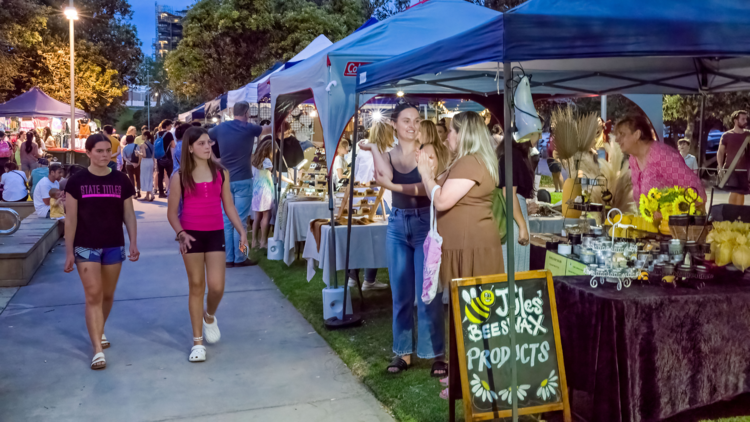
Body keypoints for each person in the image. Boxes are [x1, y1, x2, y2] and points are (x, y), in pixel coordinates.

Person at [417, 111, 505, 397]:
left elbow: (440, 199)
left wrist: (426, 174)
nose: (447, 135)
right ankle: (462, 374)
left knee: (474, 316)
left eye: (451, 131)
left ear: (464, 133)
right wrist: (430, 173)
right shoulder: (465, 161)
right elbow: (436, 187)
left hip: (472, 249)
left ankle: (472, 381)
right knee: (465, 313)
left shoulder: (471, 162)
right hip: (465, 247)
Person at [361, 103, 445, 377]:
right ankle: (403, 353)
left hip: (423, 222)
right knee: (400, 293)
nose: (412, 125)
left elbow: (425, 189)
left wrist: (392, 186)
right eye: (406, 120)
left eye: (417, 120)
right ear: (394, 124)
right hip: (397, 223)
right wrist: (373, 148)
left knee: (428, 293)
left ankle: (435, 354)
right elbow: (381, 176)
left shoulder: (428, 151)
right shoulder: (388, 153)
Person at [167, 127, 249, 362]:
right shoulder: (179, 176)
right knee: (196, 285)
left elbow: (229, 205)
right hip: (190, 235)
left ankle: (209, 316)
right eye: (202, 143)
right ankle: (197, 343)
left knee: (216, 287)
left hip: (215, 233)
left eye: (209, 143)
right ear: (190, 147)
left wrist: (241, 231)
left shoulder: (221, 173)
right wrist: (180, 232)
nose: (207, 147)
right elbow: (172, 213)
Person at [63, 133, 139, 370]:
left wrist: (133, 242)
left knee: (107, 295)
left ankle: (100, 328)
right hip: (85, 246)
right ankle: (97, 349)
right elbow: (71, 219)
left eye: (108, 151)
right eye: (99, 151)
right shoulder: (76, 182)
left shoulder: (122, 180)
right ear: (88, 153)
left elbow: (129, 214)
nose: (104, 155)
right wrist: (68, 252)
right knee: (93, 295)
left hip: (113, 245)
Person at [208, 101, 271, 268]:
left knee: (227, 221)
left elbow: (204, 138)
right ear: (247, 112)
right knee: (241, 222)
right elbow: (268, 129)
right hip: (243, 179)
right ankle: (241, 257)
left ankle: (229, 258)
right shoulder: (249, 128)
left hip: (224, 181)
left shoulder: (220, 128)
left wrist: (215, 159)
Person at [616, 114, 706, 204]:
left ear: (637, 135)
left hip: (673, 217)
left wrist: (677, 210)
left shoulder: (662, 155)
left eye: (622, 134)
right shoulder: (633, 159)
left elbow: (697, 191)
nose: (617, 139)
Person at [498, 136, 535, 273]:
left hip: (513, 213)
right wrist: (522, 225)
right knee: (514, 269)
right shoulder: (513, 155)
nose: (540, 137)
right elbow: (509, 193)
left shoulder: (509, 153)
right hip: (513, 219)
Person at [718, 110, 749, 205]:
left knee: (742, 192)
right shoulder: (726, 135)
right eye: (742, 119)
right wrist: (720, 167)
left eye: (746, 119)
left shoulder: (748, 135)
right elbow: (720, 151)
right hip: (730, 169)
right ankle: (731, 213)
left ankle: (738, 213)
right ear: (736, 120)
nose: (745, 121)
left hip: (745, 169)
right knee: (734, 190)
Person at [250, 137, 274, 250]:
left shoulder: (254, 160)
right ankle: (263, 241)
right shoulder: (267, 161)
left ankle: (254, 241)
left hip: (256, 190)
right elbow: (275, 173)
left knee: (257, 217)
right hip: (265, 190)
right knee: (266, 215)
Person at [155, 120, 175, 198]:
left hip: (159, 158)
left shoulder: (156, 134)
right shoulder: (169, 134)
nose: (171, 127)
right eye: (170, 125)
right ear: (166, 126)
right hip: (168, 157)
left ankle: (161, 193)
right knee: (171, 175)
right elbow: (173, 146)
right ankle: (172, 191)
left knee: (160, 175)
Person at [135, 131, 155, 202]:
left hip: (145, 162)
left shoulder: (143, 145)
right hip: (151, 161)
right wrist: (154, 164)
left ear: (146, 136)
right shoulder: (152, 144)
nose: (141, 137)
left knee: (145, 178)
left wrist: (138, 153)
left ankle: (151, 194)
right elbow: (152, 155)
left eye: (142, 135)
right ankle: (148, 195)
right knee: (149, 177)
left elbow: (144, 155)